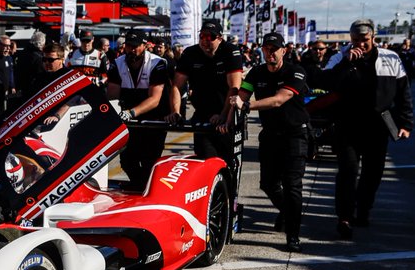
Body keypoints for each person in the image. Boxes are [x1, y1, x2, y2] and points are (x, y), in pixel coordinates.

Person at [323, 19, 413, 239]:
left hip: (378, 125)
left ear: (373, 37)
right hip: (347, 125)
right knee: (348, 171)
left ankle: (363, 209)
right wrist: (345, 63)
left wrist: (405, 123)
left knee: (373, 173)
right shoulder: (339, 57)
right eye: (355, 40)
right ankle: (344, 216)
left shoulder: (391, 58)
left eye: (364, 40)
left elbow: (404, 92)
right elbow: (324, 82)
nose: (359, 45)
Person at [235, 33, 311, 252]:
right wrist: (232, 106)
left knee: (292, 185)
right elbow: (242, 94)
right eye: (266, 48)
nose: (269, 52)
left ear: (283, 51)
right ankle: (288, 213)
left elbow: (279, 100)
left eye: (274, 49)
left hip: (294, 134)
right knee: (267, 184)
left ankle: (293, 235)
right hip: (270, 135)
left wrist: (247, 106)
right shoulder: (256, 72)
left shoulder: (295, 71)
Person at [169, 19, 244, 161]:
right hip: (202, 114)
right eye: (202, 36)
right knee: (206, 159)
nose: (205, 40)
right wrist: (175, 112)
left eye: (210, 37)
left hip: (228, 113)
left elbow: (234, 87)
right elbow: (176, 86)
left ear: (220, 38)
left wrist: (223, 115)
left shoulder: (230, 51)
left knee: (228, 162)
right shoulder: (190, 53)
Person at [105, 30, 169, 190]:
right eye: (128, 45)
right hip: (128, 120)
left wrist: (131, 112)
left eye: (136, 46)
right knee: (126, 160)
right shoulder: (117, 63)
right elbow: (112, 95)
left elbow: (155, 99)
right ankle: (140, 187)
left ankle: (146, 190)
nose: (132, 49)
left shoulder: (158, 63)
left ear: (145, 46)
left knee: (150, 161)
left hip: (154, 118)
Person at [0, 35, 19, 113]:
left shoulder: (7, 57)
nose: (8, 48)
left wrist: (12, 86)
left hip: (6, 93)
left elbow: (10, 73)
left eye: (9, 46)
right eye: (6, 46)